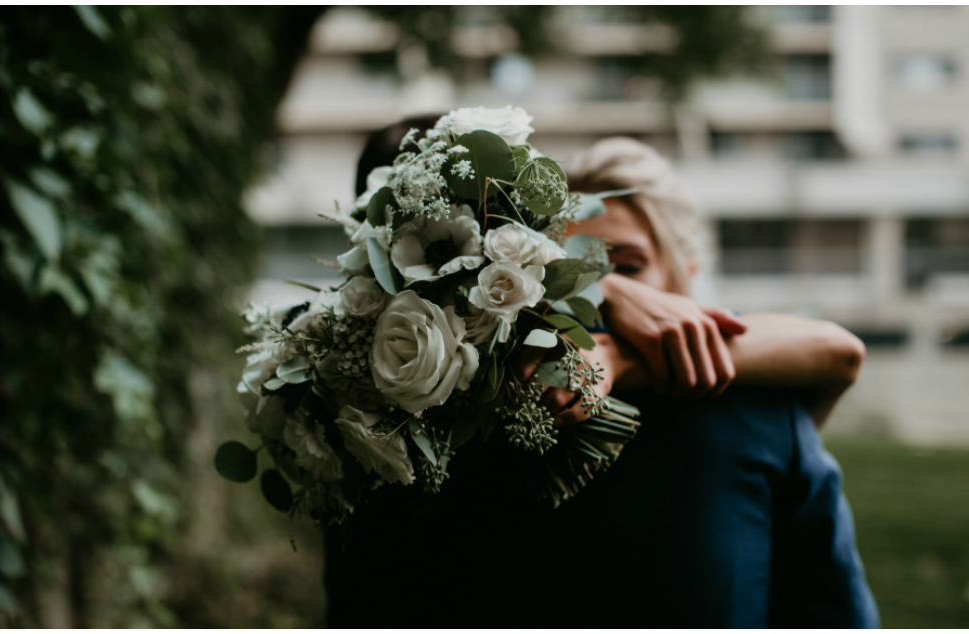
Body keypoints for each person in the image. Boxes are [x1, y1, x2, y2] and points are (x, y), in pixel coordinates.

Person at [324, 121, 879, 628]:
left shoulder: (754, 421)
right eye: (574, 273)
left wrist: (619, 361)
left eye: (629, 268)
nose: (594, 303)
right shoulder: (464, 433)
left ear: (684, 276)